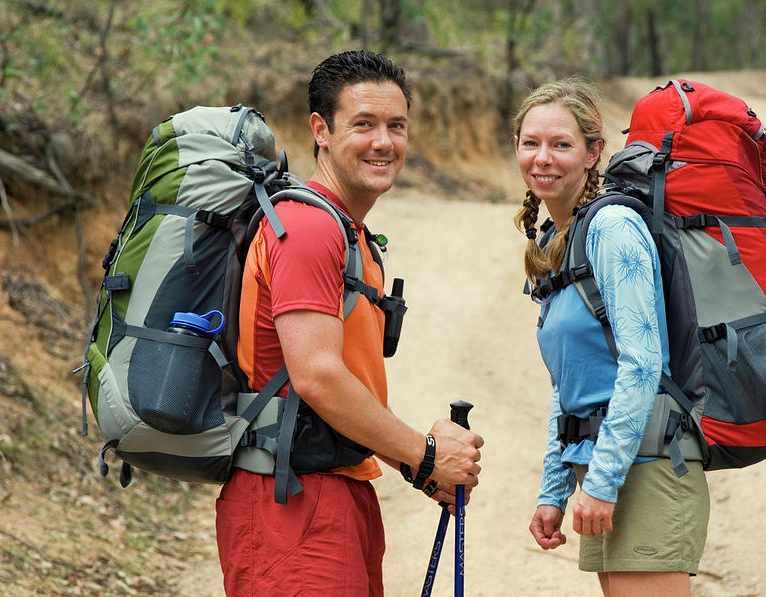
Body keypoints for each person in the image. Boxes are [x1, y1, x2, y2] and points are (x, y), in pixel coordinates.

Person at [215, 50, 484, 597]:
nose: (383, 142)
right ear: (321, 129)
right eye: (364, 124)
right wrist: (424, 453)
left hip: (330, 493)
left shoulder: (349, 233)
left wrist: (416, 467)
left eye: (396, 126)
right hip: (292, 506)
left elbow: (340, 387)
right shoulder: (309, 228)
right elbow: (316, 376)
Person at [513, 77, 710, 597]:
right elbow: (569, 384)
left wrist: (600, 484)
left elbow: (643, 364)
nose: (543, 158)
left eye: (561, 144)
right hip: (609, 469)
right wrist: (555, 490)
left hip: (644, 468)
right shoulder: (559, 240)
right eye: (530, 143)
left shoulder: (612, 229)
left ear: (593, 152)